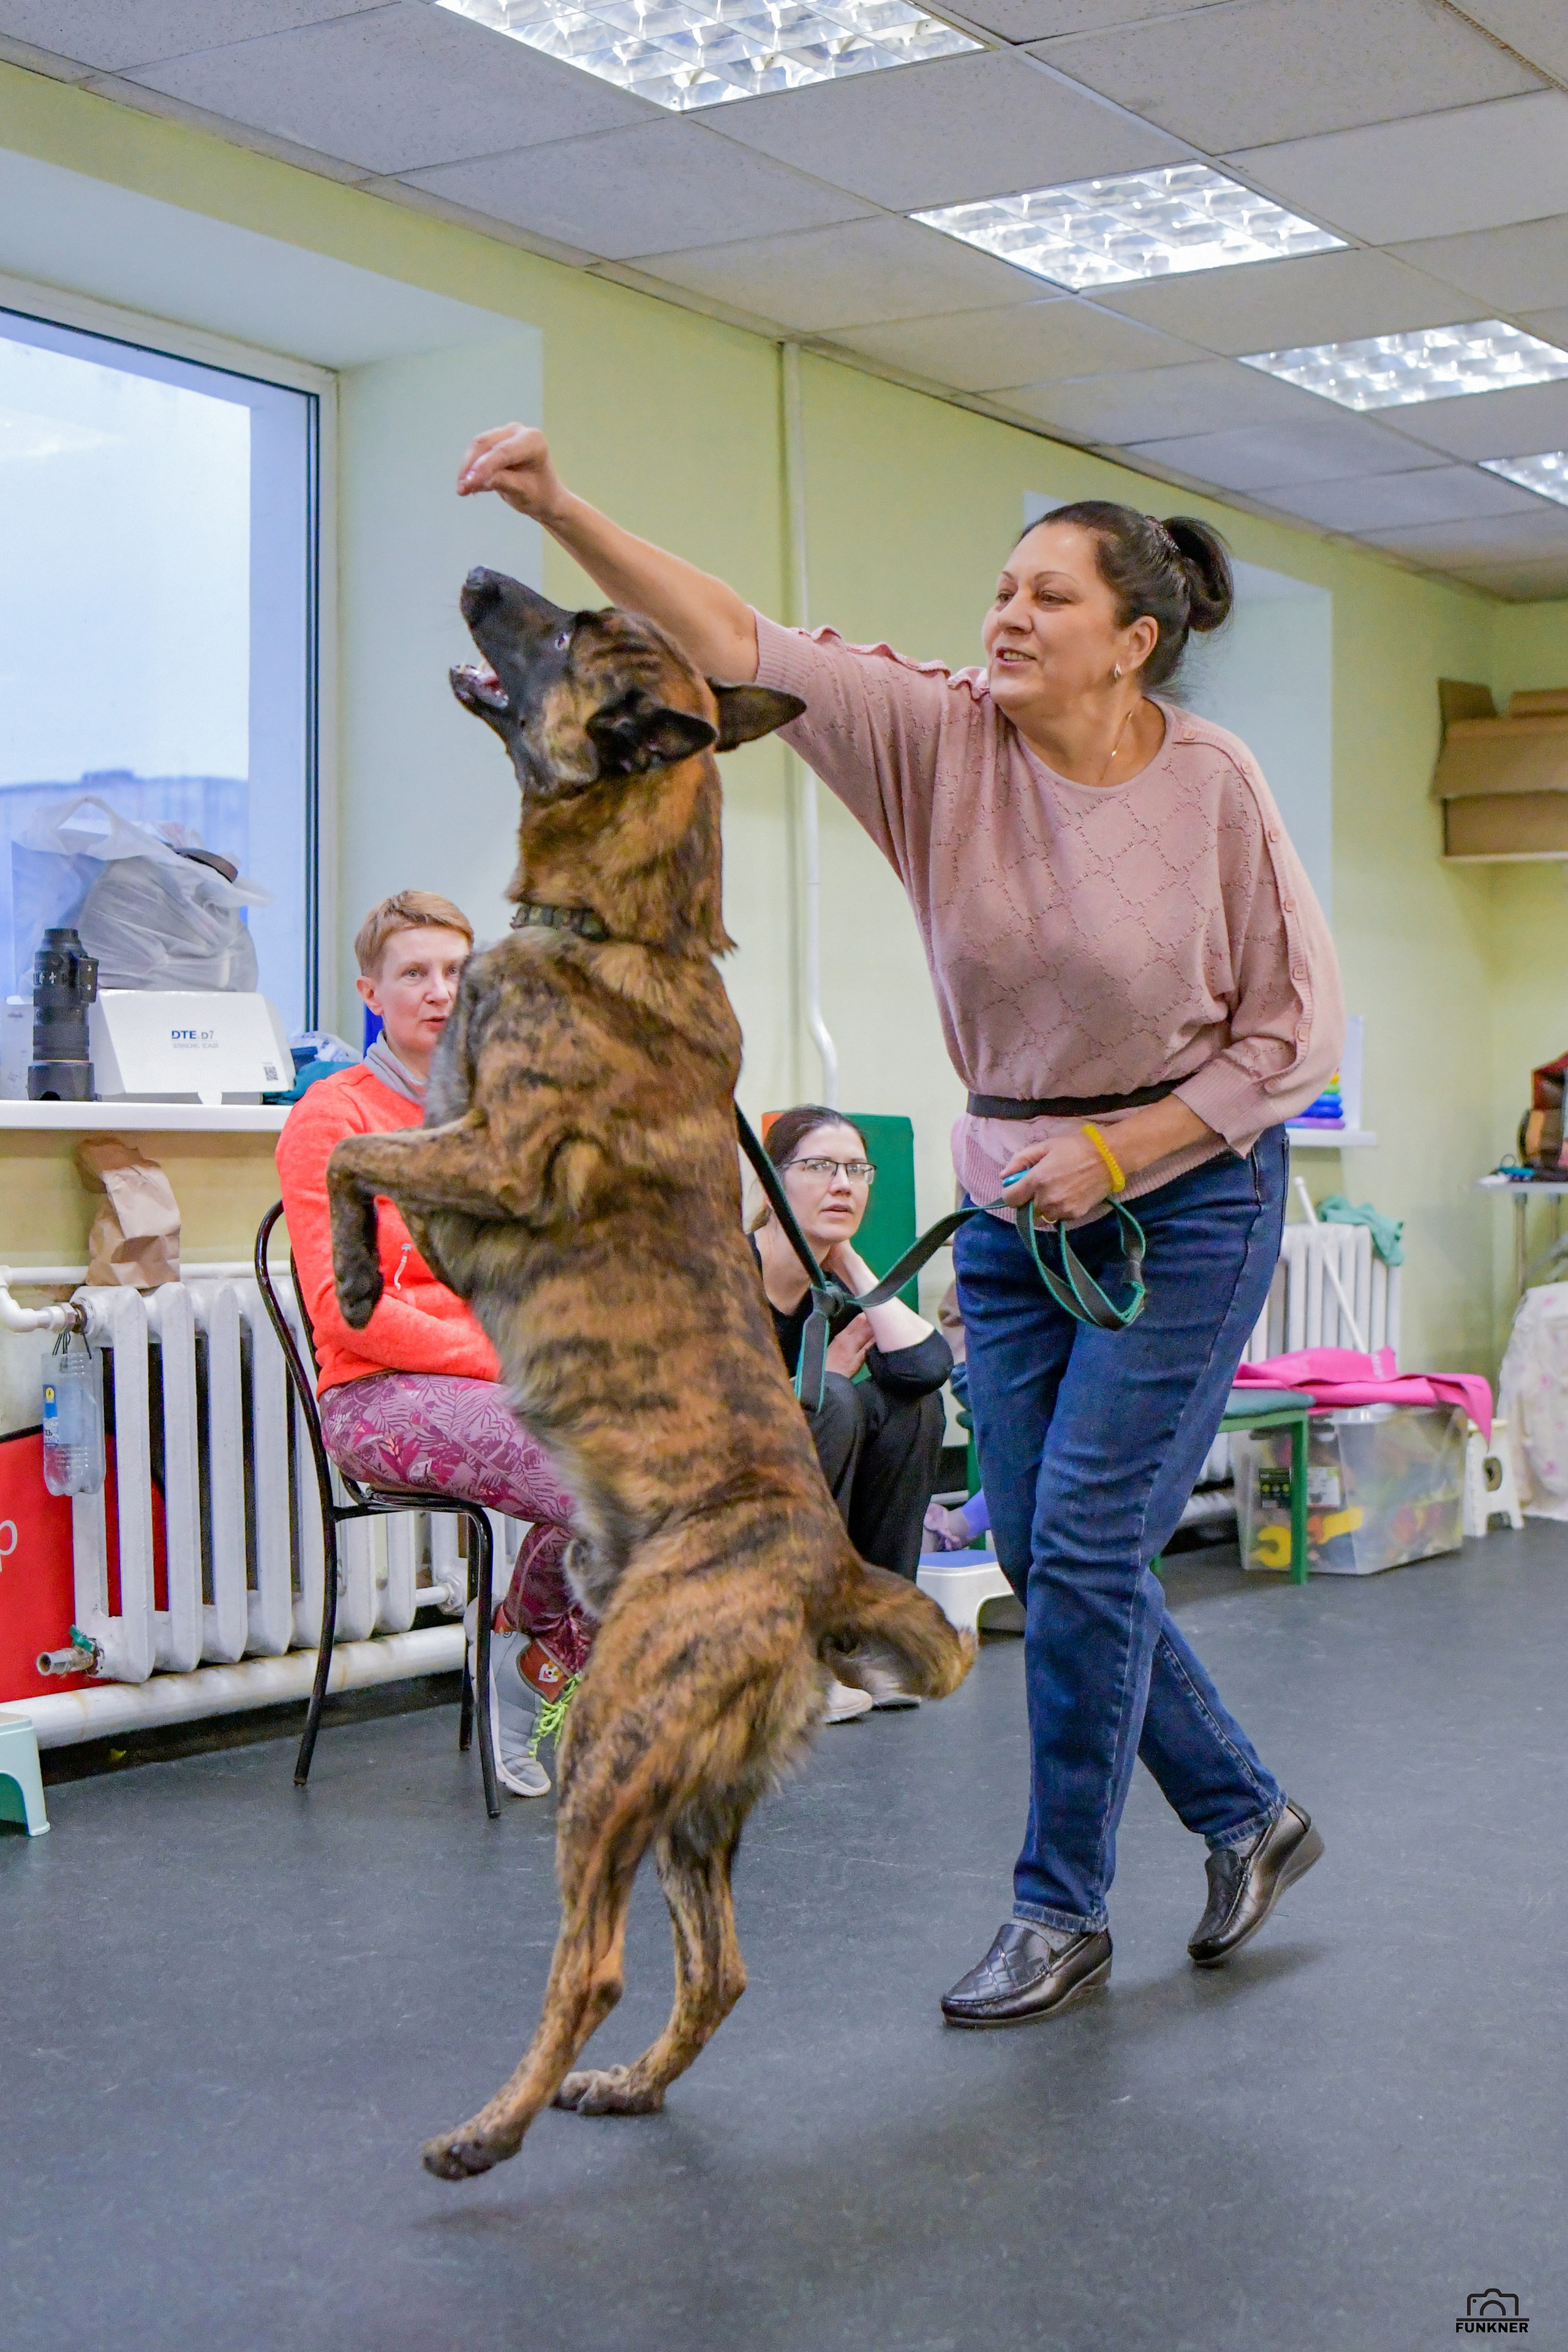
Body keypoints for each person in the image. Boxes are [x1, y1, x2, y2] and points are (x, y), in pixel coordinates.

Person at [457, 424, 1343, 2019]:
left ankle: (1059, 1909)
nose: (1005, 616)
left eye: (1048, 597)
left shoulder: (1217, 785)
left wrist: (1129, 1153)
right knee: (1048, 1548)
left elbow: (1296, 1032)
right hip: (1009, 1207)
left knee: (1080, 1546)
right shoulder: (937, 740)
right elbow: (730, 640)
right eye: (1001, 588)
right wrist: (565, 506)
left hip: (1187, 1204)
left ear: (1134, 641)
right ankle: (1247, 1813)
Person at [276, 889, 592, 1800]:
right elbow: (349, 1311)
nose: (440, 991)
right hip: (376, 1396)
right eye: (415, 972)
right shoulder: (331, 1121)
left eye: (457, 971)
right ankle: (540, 1669)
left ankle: (529, 1666)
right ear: (371, 991)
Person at [751, 1104, 951, 1718]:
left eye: (857, 1170)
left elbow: (923, 1370)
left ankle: (869, 1647)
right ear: (770, 1182)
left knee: (911, 1412)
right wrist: (814, 1382)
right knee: (832, 1398)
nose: (842, 1184)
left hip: (788, 1472)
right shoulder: (719, 1273)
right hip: (704, 1484)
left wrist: (849, 1263)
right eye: (819, 1167)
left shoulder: (831, 1289)